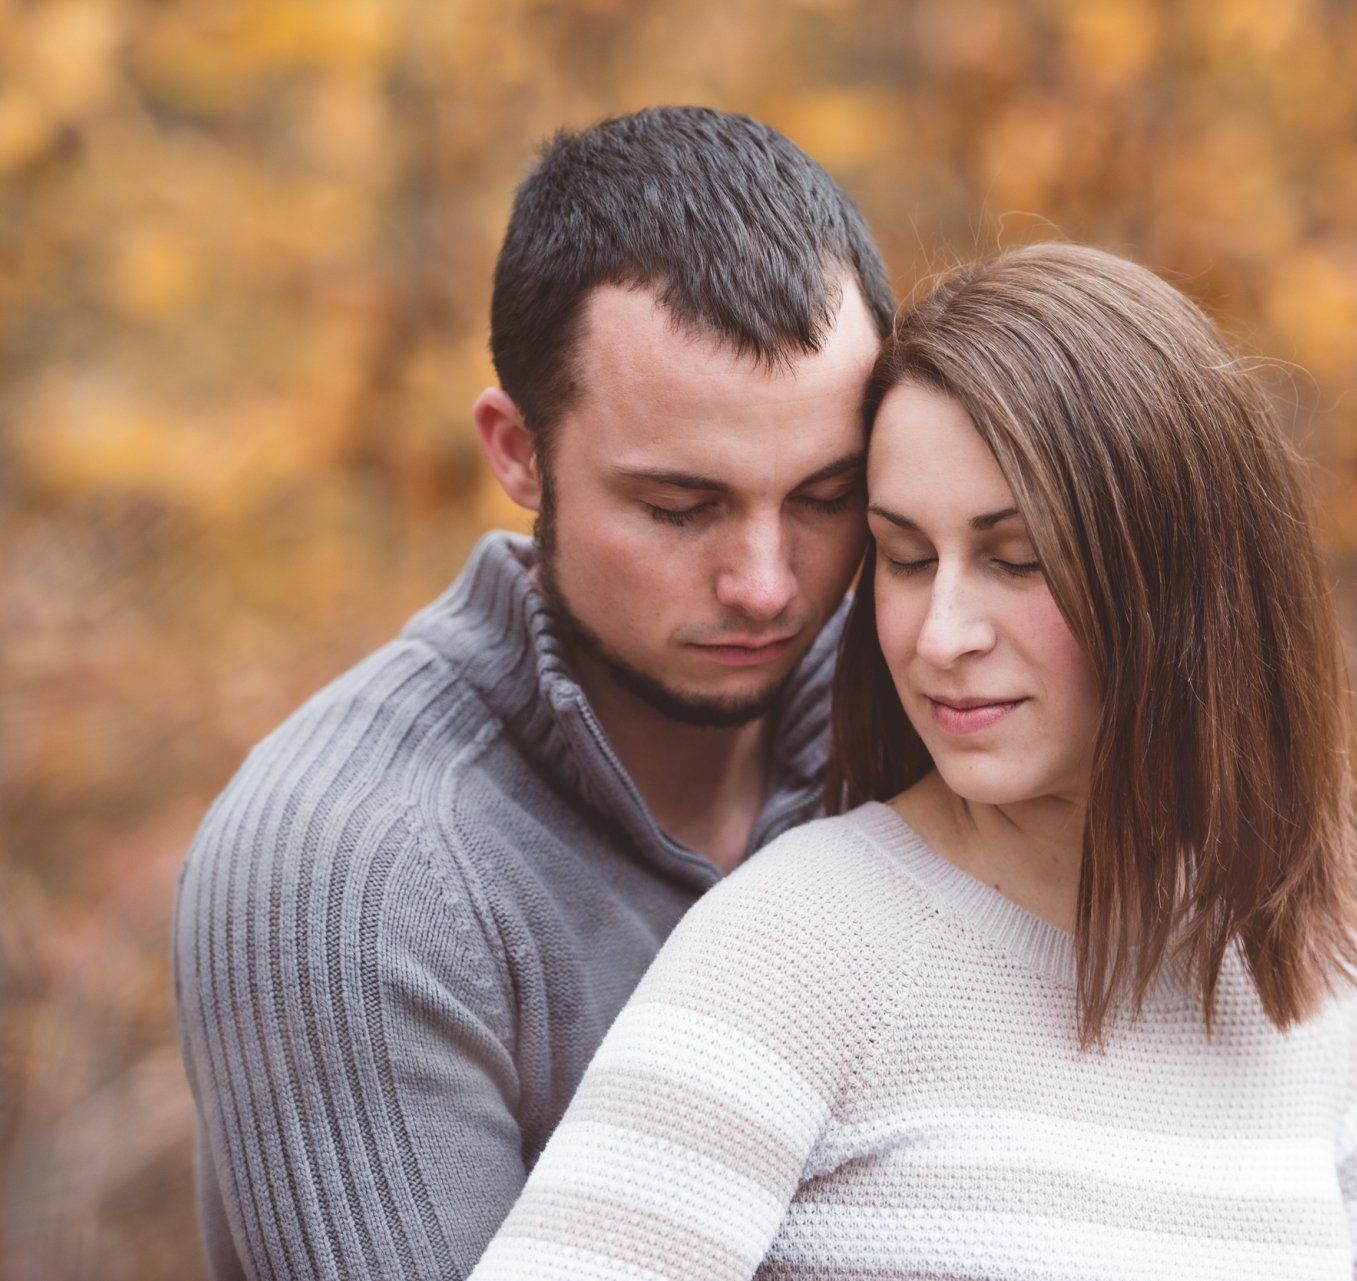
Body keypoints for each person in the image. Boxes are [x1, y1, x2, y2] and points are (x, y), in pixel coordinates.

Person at [472, 242, 1357, 1279]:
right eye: (904, 558)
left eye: (1014, 559)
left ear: (1185, 587)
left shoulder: (1312, 983)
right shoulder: (797, 951)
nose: (940, 636)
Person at [171, 106, 893, 1280]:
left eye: (825, 497)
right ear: (517, 450)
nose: (767, 585)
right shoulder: (354, 874)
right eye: (679, 506)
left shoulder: (956, 733)